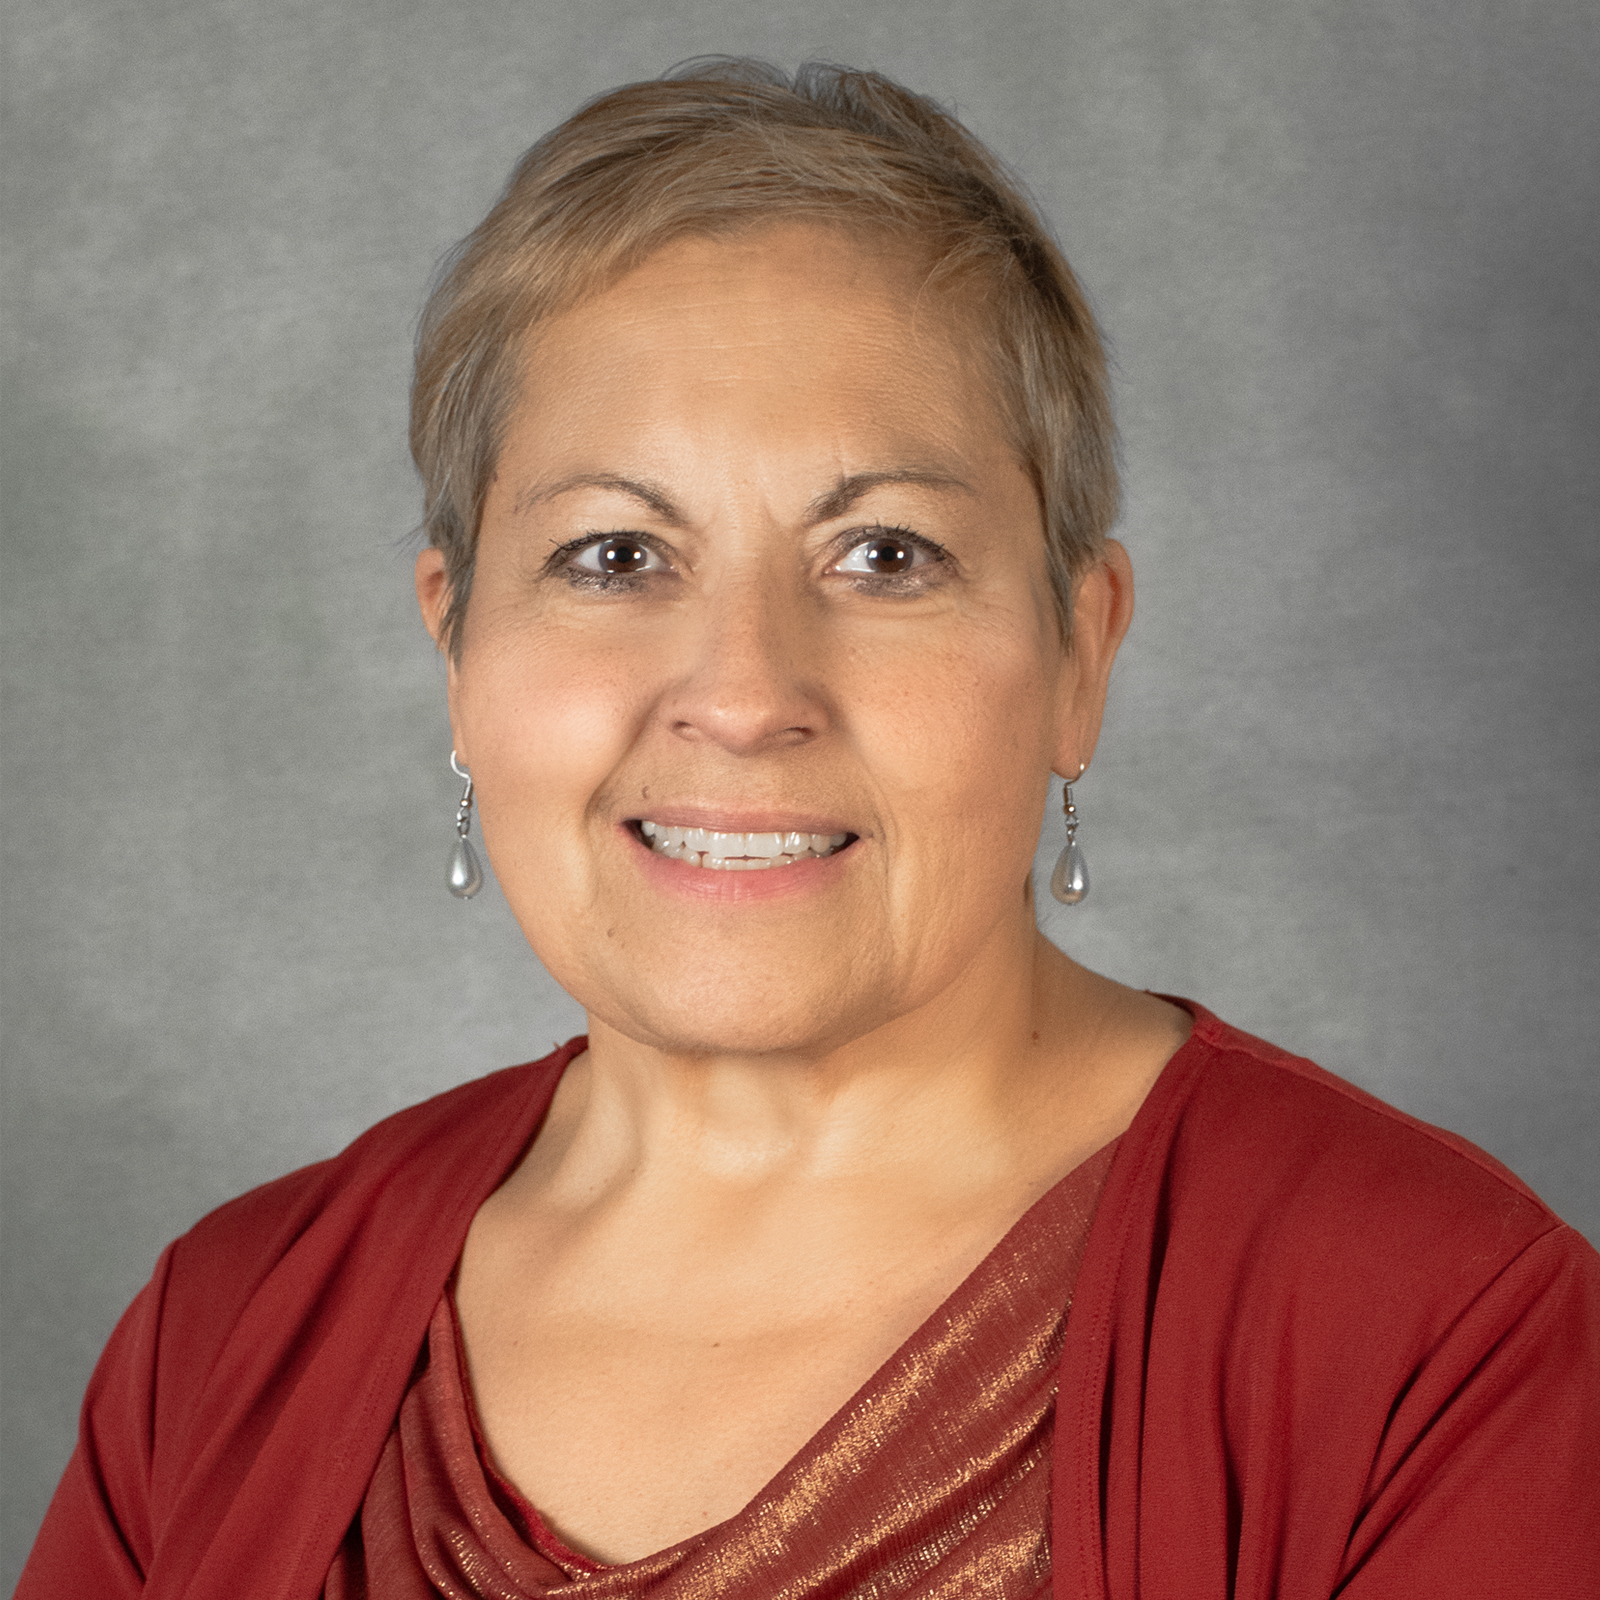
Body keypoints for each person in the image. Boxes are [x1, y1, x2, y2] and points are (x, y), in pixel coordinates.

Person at [19, 58, 1599, 1600]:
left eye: (887, 555)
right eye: (618, 557)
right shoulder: (220, 1334)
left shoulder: (1442, 1334)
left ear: (1080, 656)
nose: (746, 692)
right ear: (456, 649)